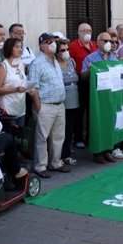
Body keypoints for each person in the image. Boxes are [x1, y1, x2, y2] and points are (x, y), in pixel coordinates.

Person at [28, 33, 70, 177]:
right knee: (42, 137)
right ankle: (40, 166)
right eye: (48, 41)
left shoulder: (55, 60)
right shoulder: (37, 63)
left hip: (59, 104)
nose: (52, 43)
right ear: (42, 45)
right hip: (45, 105)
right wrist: (38, 106)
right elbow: (32, 88)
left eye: (53, 41)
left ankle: (55, 162)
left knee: (58, 136)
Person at [82, 32, 123, 162]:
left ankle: (108, 150)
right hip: (97, 98)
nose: (108, 43)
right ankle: (98, 152)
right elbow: (82, 77)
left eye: (111, 41)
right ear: (98, 42)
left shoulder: (114, 58)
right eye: (105, 40)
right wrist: (89, 71)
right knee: (97, 123)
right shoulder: (90, 58)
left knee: (110, 122)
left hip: (111, 96)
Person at [69, 23, 97, 149]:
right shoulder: (73, 46)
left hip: (93, 81)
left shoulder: (95, 45)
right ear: (78, 32)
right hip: (80, 80)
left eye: (89, 30)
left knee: (92, 109)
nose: (87, 32)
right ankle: (78, 138)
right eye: (84, 30)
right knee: (80, 111)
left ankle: (91, 137)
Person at [0, 37, 31, 126]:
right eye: (17, 47)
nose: (20, 49)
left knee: (19, 136)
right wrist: (16, 89)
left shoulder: (21, 64)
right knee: (11, 135)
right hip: (8, 109)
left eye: (21, 47)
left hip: (21, 107)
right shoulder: (3, 66)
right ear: (10, 48)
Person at [56, 38, 79, 166]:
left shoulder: (71, 62)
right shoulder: (54, 64)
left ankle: (66, 154)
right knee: (60, 131)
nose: (66, 52)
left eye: (67, 49)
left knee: (69, 130)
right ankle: (59, 155)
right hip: (61, 102)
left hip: (74, 101)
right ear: (57, 52)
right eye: (62, 50)